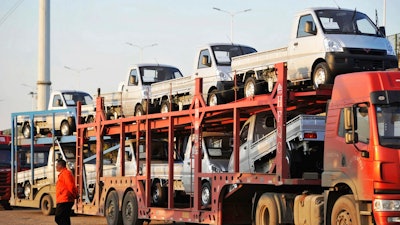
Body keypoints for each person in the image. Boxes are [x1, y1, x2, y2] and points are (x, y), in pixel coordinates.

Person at [55, 159, 78, 225]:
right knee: (65, 218)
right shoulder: (63, 174)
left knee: (58, 217)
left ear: (60, 166)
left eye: (57, 165)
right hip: (63, 199)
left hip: (65, 200)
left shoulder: (66, 173)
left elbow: (70, 186)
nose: (56, 167)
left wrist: (75, 195)